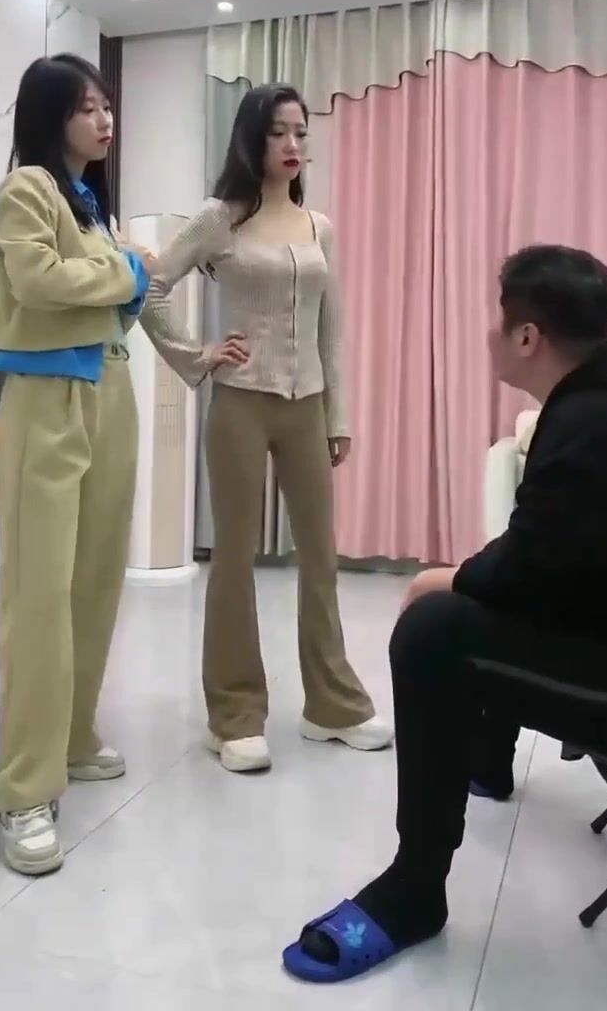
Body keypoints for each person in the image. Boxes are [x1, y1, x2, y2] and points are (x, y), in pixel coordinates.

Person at [283, 244, 607, 983]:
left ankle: (415, 891)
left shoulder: (598, 421)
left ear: (527, 336)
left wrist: (445, 580)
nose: (491, 335)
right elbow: (555, 560)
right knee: (482, 594)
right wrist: (470, 577)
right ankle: (488, 766)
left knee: (433, 629)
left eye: (499, 322)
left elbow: (531, 568)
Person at [140, 83, 392, 773]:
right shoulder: (218, 218)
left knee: (320, 556)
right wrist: (198, 356)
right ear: (253, 139)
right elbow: (152, 290)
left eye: (300, 133)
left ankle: (332, 705)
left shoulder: (318, 227)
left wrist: (338, 415)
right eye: (278, 132)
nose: (292, 145)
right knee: (235, 558)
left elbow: (330, 329)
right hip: (240, 403)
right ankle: (234, 714)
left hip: (305, 402)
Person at [0, 55, 153, 875]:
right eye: (88, 107)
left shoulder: (92, 209)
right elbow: (38, 280)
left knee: (93, 583)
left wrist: (127, 276)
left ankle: (74, 735)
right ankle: (23, 787)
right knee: (38, 596)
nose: (105, 119)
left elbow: (116, 304)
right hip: (47, 398)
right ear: (52, 116)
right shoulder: (26, 191)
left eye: (107, 105)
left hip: (109, 391)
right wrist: (128, 270)